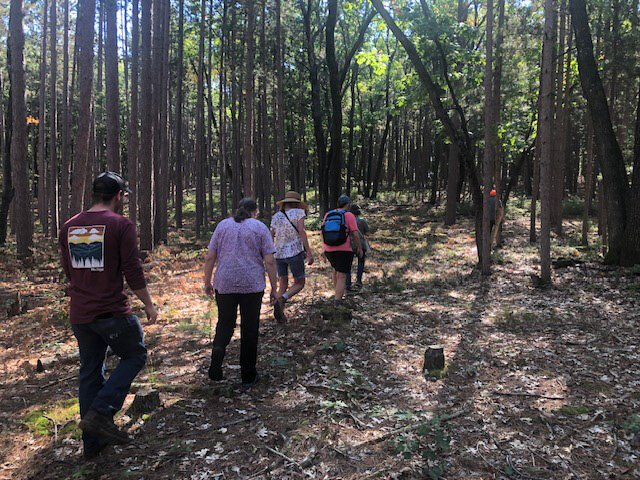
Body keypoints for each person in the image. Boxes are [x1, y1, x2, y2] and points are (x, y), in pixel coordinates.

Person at [59, 171, 158, 460]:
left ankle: (92, 444)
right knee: (135, 355)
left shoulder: (69, 226)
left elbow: (69, 270)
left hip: (81, 314)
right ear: (118, 196)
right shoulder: (120, 225)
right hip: (111, 311)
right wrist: (149, 304)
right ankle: (101, 412)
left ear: (94, 194)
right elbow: (132, 269)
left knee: (90, 371)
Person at [203, 198, 279, 387]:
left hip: (225, 282)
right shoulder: (260, 227)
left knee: (225, 323)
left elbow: (210, 256)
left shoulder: (223, 226)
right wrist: (274, 288)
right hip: (251, 285)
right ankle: (248, 375)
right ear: (255, 211)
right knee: (250, 328)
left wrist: (207, 281)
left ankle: (216, 362)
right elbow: (269, 261)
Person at [270, 191, 315, 323]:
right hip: (294, 251)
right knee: (300, 282)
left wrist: (270, 251)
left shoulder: (276, 216)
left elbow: (271, 234)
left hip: (278, 253)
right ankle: (283, 299)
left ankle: (280, 314)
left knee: (283, 283)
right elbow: (301, 231)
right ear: (296, 203)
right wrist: (309, 252)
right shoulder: (299, 213)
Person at [321, 195, 363, 307]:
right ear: (347, 204)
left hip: (329, 249)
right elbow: (355, 233)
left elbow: (323, 232)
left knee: (335, 270)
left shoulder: (328, 214)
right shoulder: (348, 215)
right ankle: (338, 301)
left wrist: (323, 248)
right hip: (344, 249)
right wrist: (359, 247)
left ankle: (337, 294)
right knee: (342, 275)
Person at [346, 204, 371, 291]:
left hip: (350, 245)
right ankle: (358, 281)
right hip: (361, 244)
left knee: (348, 265)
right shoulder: (362, 221)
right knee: (361, 262)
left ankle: (347, 284)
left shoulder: (347, 221)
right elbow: (367, 233)